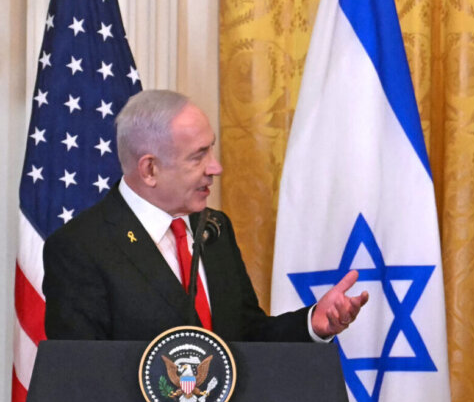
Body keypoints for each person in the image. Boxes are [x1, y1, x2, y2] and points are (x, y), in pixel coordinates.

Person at [44, 89, 368, 341]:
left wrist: (312, 323)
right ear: (150, 169)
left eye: (210, 149)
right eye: (199, 157)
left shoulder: (214, 228)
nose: (216, 168)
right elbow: (83, 384)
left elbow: (245, 338)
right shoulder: (80, 249)